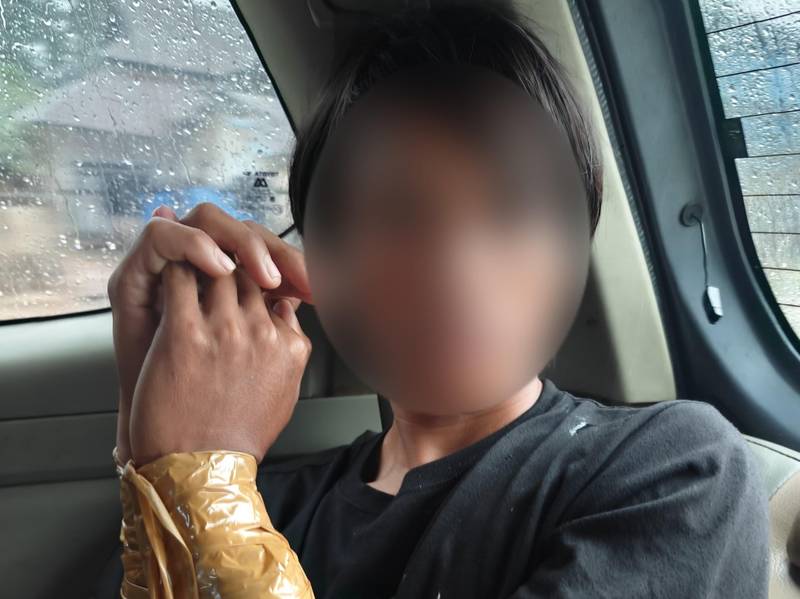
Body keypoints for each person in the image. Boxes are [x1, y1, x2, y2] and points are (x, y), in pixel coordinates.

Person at [91, 4, 770, 598]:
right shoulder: (268, 499)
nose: (455, 271)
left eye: (512, 210)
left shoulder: (670, 471)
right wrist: (148, 431)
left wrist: (200, 484)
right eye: (396, 214)